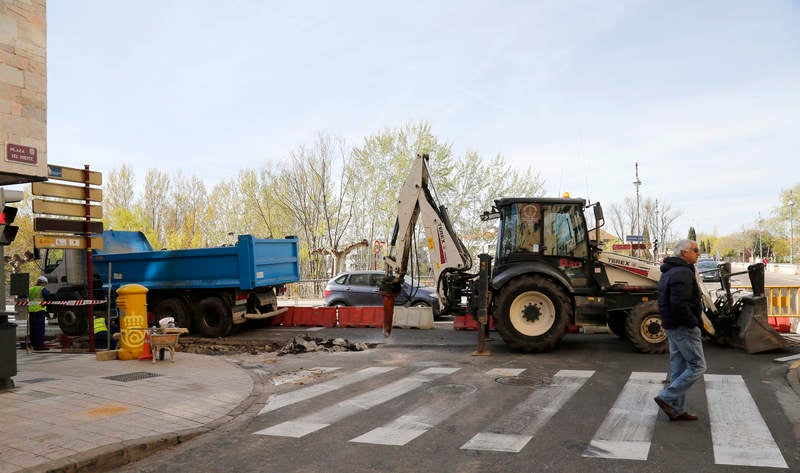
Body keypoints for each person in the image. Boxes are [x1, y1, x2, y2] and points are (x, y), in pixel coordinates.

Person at [654, 239, 707, 421]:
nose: (698, 253)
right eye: (695, 250)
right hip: (682, 327)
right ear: (684, 253)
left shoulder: (671, 270)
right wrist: (693, 323)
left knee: (679, 368)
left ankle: (676, 409)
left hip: (672, 325)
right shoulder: (682, 272)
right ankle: (667, 397)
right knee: (698, 365)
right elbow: (680, 304)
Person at [28, 276, 51, 351]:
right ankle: (39, 345)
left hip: (31, 311)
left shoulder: (30, 289)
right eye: (45, 283)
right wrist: (46, 304)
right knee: (40, 328)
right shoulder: (42, 289)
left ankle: (33, 343)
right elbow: (48, 296)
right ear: (43, 282)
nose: (45, 285)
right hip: (40, 310)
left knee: (33, 328)